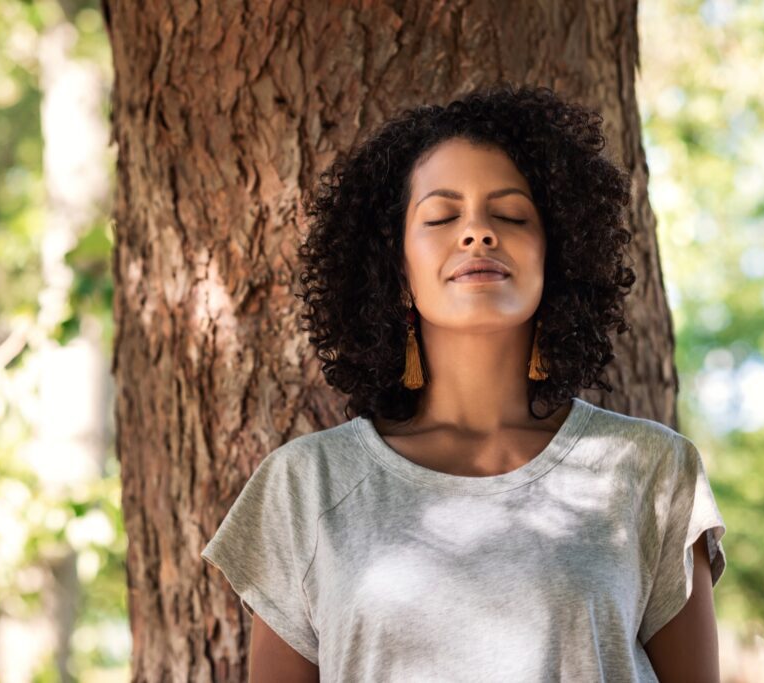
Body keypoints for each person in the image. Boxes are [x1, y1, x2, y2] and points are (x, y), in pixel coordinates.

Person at [201, 83, 727, 682]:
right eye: (442, 215)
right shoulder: (305, 486)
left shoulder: (652, 469)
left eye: (510, 214)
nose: (477, 231)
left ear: (558, 257)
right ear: (396, 271)